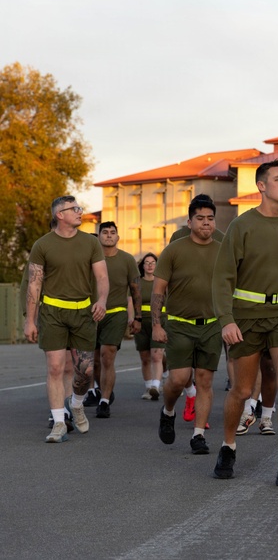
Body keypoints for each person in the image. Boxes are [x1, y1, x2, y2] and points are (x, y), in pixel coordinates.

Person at [212, 160, 278, 487]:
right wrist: (226, 320)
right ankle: (228, 445)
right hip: (245, 316)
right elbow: (223, 277)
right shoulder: (242, 227)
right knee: (243, 390)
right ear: (261, 186)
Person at [24, 196, 109, 443]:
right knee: (55, 367)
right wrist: (31, 320)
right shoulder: (43, 245)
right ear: (60, 215)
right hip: (52, 313)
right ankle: (59, 422)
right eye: (75, 209)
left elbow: (102, 277)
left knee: (86, 370)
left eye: (79, 208)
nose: (80, 212)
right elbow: (34, 284)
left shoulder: (91, 243)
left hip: (84, 312)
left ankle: (77, 403)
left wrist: (102, 300)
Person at [154, 195, 224, 455]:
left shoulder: (222, 250)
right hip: (180, 324)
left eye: (210, 219)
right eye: (200, 219)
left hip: (212, 325)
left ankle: (198, 435)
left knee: (205, 381)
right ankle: (168, 410)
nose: (206, 224)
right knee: (178, 378)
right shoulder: (174, 250)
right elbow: (159, 289)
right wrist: (156, 325)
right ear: (190, 221)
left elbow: (231, 286)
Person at [86, 221, 142, 418]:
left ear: (118, 237)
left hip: (116, 312)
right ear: (99, 236)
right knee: (93, 360)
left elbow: (135, 289)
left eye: (112, 233)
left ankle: (104, 401)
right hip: (91, 313)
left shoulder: (127, 260)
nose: (109, 235)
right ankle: (101, 390)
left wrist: (137, 317)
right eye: (105, 232)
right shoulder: (90, 258)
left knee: (107, 355)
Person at [135, 253, 165, 399]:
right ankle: (148, 387)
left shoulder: (162, 283)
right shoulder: (138, 283)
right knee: (145, 357)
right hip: (141, 322)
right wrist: (133, 319)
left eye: (153, 262)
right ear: (143, 266)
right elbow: (131, 301)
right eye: (147, 262)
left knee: (157, 355)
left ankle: (156, 386)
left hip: (159, 322)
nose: (150, 265)